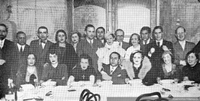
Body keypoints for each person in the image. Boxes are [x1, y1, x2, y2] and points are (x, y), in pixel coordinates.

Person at [0, 23, 15, 96]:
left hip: (6, 78)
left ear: (6, 33)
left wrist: (5, 61)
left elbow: (14, 60)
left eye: (3, 31)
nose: (1, 33)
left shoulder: (11, 45)